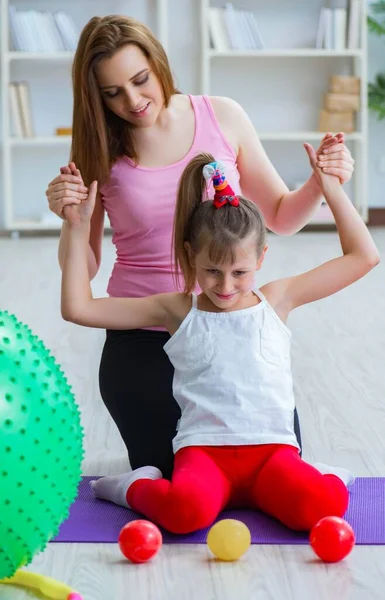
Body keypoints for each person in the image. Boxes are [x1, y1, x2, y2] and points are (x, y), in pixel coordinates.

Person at [46, 15, 356, 479]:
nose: (133, 101)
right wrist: (72, 224)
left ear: (157, 62)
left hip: (225, 332)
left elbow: (281, 216)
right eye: (113, 93)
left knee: (265, 472)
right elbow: (83, 269)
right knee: (177, 477)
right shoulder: (98, 148)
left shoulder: (222, 115)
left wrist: (321, 181)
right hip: (145, 335)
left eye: (140, 80)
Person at [61, 148, 379, 535]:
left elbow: (364, 256)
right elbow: (78, 308)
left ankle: (319, 475)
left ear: (262, 258)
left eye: (240, 272)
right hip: (204, 455)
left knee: (324, 505)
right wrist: (77, 230)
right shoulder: (176, 309)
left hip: (272, 452)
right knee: (184, 515)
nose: (225, 286)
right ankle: (132, 486)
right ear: (191, 255)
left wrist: (329, 187)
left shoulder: (278, 299)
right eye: (212, 271)